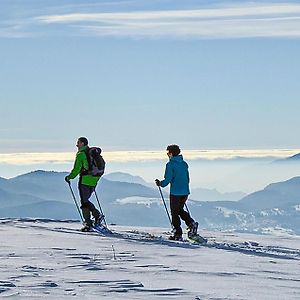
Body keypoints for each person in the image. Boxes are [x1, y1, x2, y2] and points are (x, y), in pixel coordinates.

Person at [155, 144, 198, 241]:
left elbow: (168, 179)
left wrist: (160, 184)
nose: (167, 154)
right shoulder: (184, 164)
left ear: (171, 153)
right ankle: (191, 224)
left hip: (175, 192)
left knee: (174, 213)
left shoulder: (170, 165)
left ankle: (178, 234)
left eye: (168, 152)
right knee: (179, 210)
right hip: (185, 192)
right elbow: (187, 178)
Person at [65, 137, 103, 231]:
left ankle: (90, 222)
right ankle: (96, 217)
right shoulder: (93, 153)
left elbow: (76, 169)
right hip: (94, 180)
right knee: (86, 200)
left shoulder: (81, 154)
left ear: (82, 143)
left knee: (84, 202)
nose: (76, 145)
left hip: (85, 180)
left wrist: (69, 177)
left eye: (78, 143)